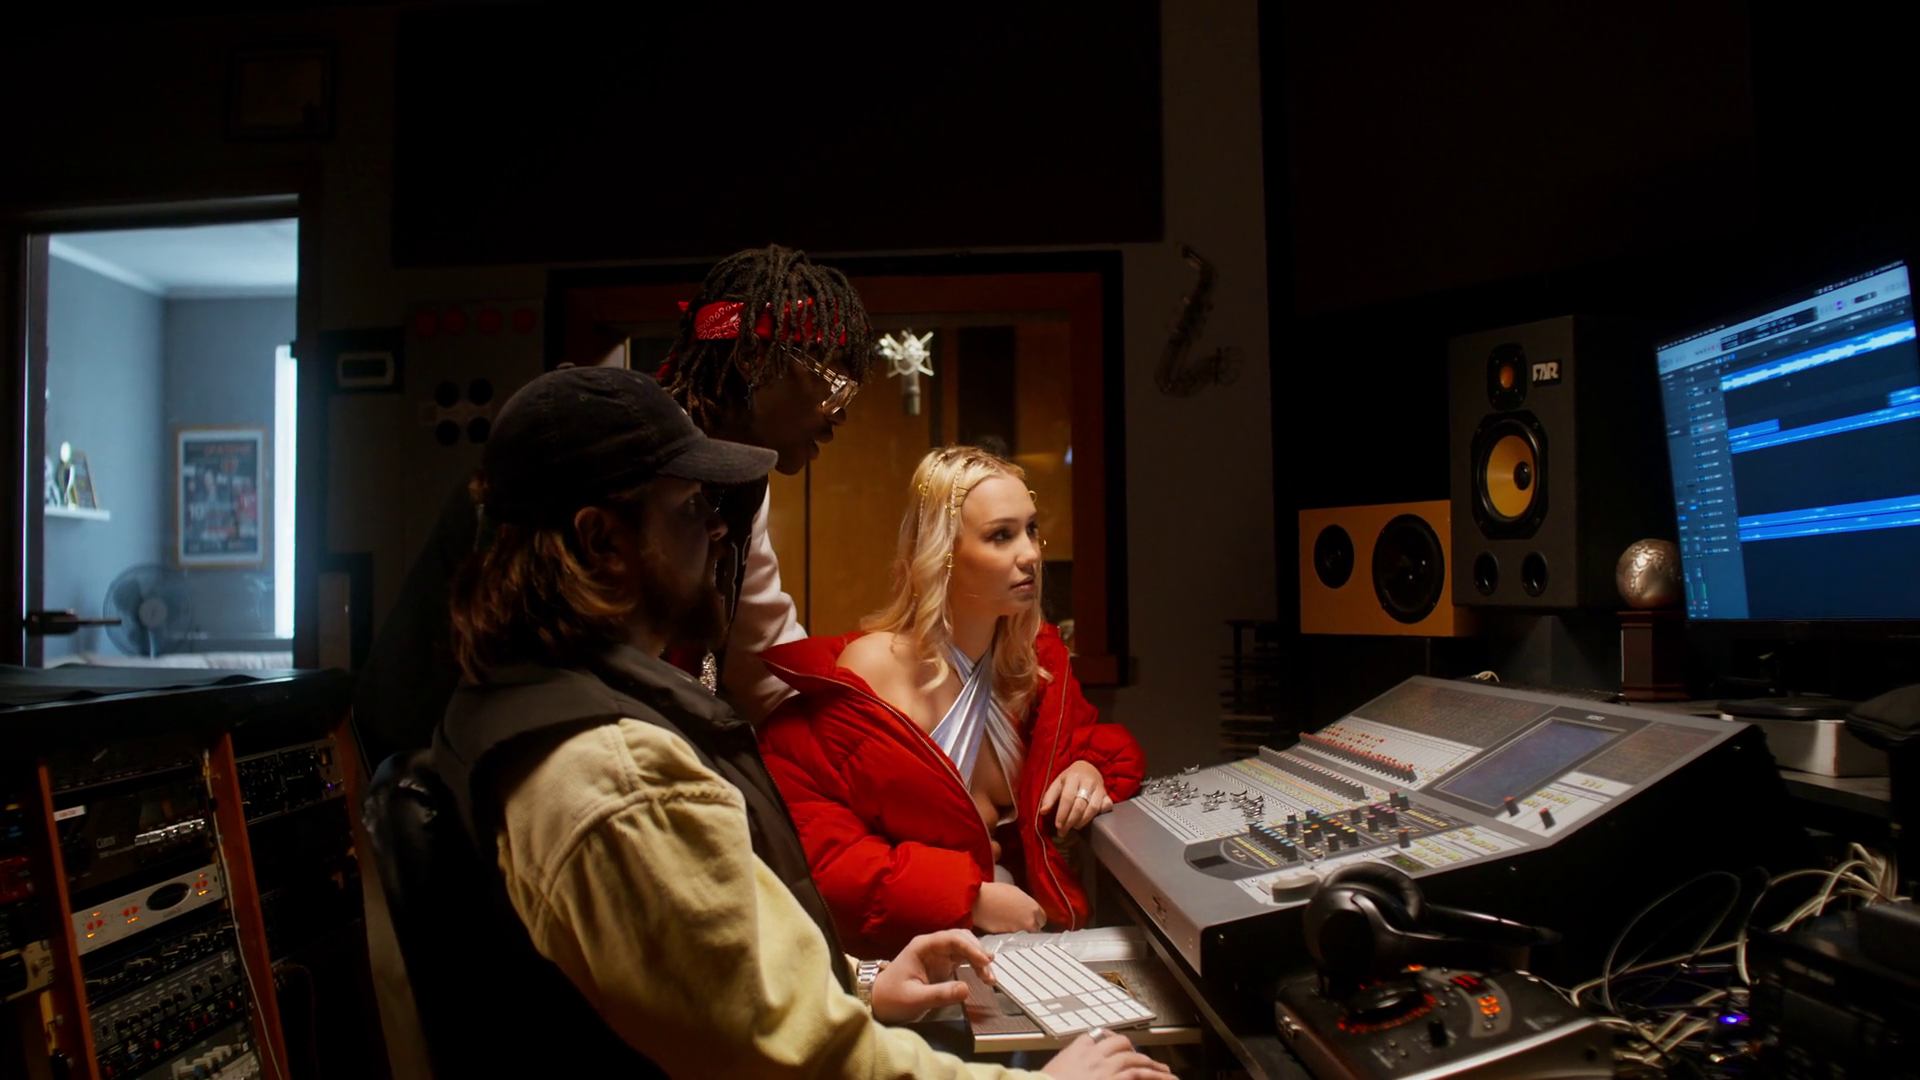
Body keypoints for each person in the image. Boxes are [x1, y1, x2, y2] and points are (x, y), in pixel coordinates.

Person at [432, 368, 1169, 1079]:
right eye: (690, 508)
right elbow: (795, 1058)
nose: (718, 531)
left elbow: (724, 986)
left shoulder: (517, 707)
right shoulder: (624, 778)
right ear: (602, 542)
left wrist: (864, 983)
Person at [354, 243, 872, 773]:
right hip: (471, 766)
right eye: (833, 387)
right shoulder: (602, 454)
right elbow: (531, 674)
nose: (839, 417)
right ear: (753, 358)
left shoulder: (737, 483)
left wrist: (861, 743)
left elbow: (763, 655)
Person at [758, 446, 1148, 958]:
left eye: (1031, 529)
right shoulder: (868, 676)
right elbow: (827, 860)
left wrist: (1088, 768)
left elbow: (1093, 743)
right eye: (1001, 535)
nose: (1030, 554)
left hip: (1025, 951)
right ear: (942, 553)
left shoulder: (1030, 667)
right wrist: (971, 900)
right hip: (907, 962)